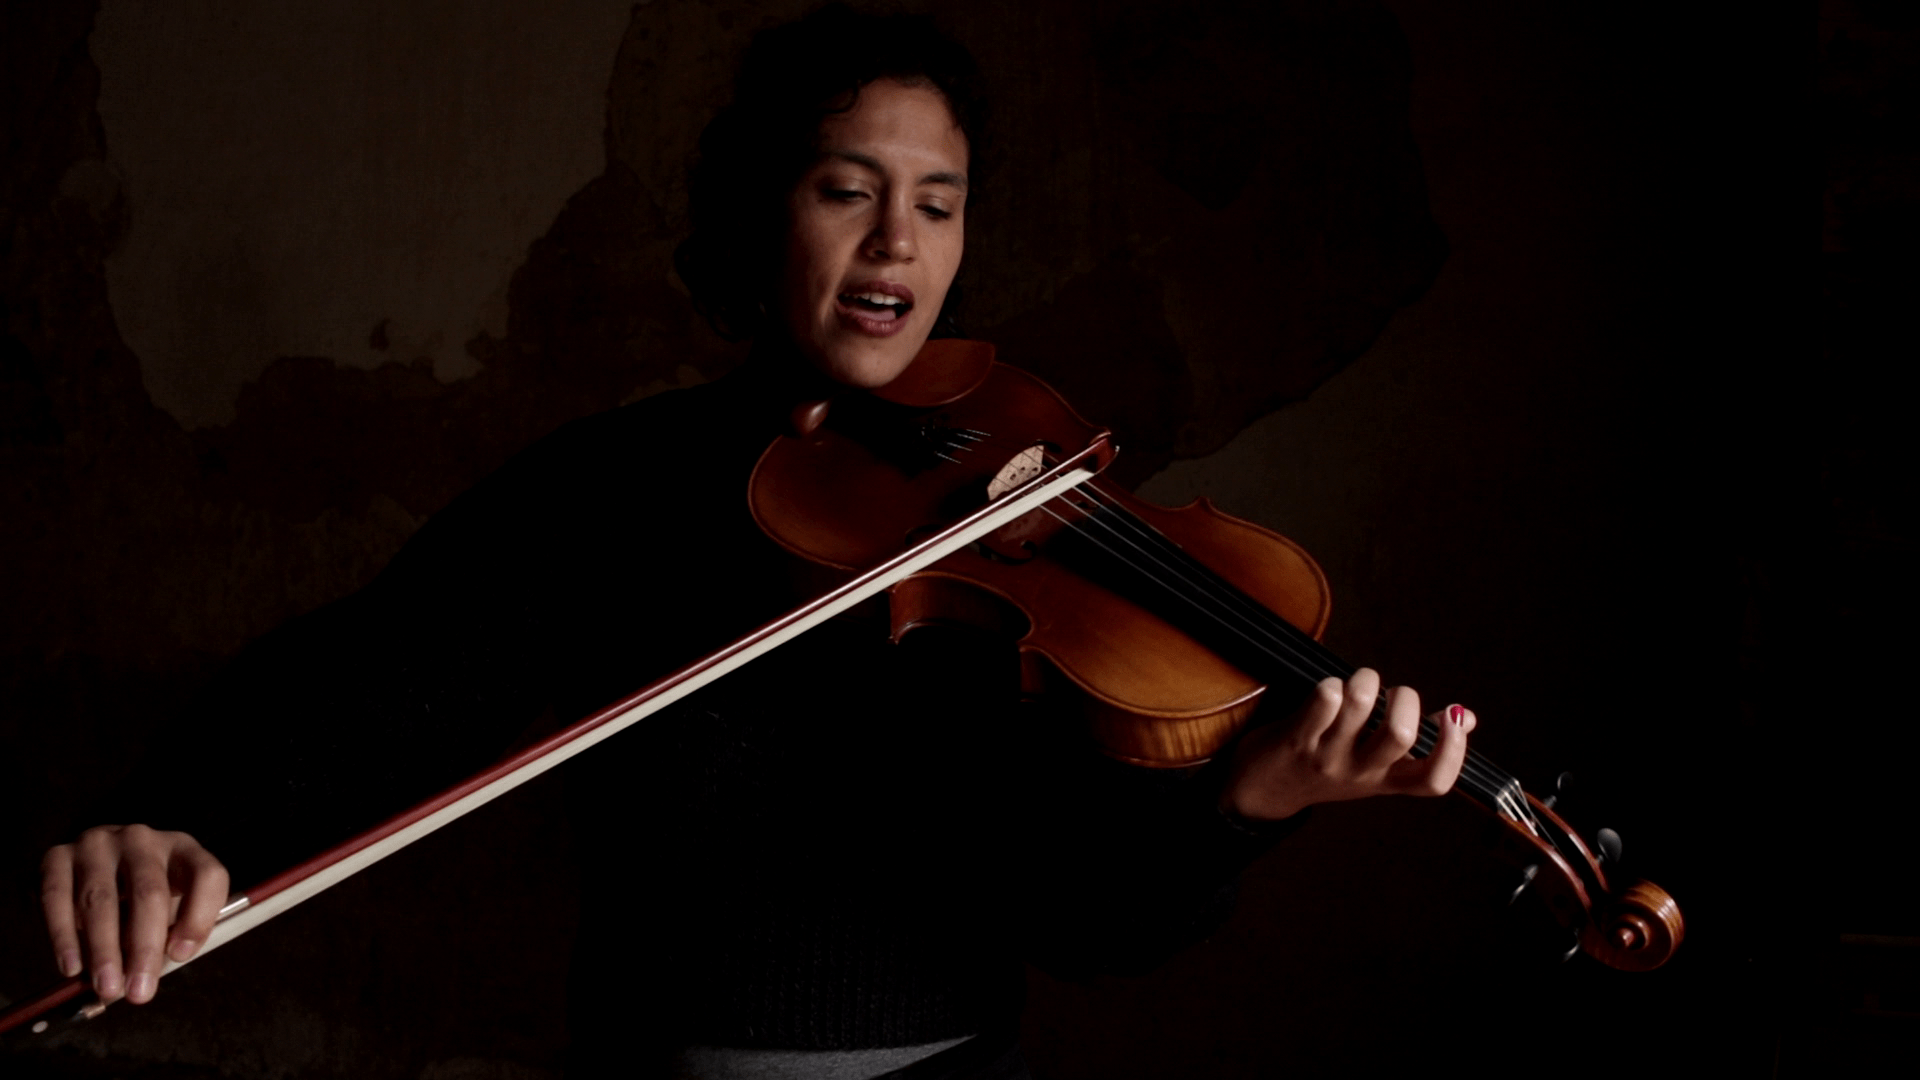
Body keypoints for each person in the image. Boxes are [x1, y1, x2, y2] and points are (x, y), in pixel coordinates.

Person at [37, 8, 1475, 1078]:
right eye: (847, 191)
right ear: (760, 214)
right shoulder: (612, 489)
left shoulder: (1024, 524)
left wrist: (1246, 804)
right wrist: (185, 817)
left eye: (938, 203)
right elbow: (378, 684)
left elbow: (1090, 922)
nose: (896, 247)